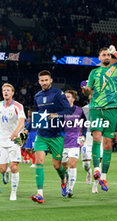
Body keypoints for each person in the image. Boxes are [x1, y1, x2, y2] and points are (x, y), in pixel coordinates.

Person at [81, 45, 117, 192]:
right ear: (99, 57)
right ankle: (96, 169)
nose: (107, 56)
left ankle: (104, 177)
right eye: (104, 55)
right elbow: (88, 91)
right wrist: (85, 91)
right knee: (96, 137)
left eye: (108, 55)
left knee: (107, 144)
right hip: (96, 108)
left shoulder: (116, 69)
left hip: (111, 109)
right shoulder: (94, 72)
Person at [30, 70, 75, 204]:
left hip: (56, 135)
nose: (44, 82)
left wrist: (55, 115)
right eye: (42, 80)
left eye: (46, 80)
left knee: (57, 166)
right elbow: (36, 113)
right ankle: (40, 194)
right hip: (42, 134)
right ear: (39, 82)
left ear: (51, 80)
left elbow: (69, 110)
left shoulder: (58, 94)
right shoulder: (37, 96)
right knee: (39, 162)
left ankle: (63, 180)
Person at [62, 90, 87, 198]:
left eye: (68, 97)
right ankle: (64, 181)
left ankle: (70, 189)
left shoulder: (79, 111)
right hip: (62, 142)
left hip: (74, 142)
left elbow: (86, 124)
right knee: (63, 167)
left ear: (73, 99)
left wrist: (84, 134)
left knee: (72, 164)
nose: (66, 99)